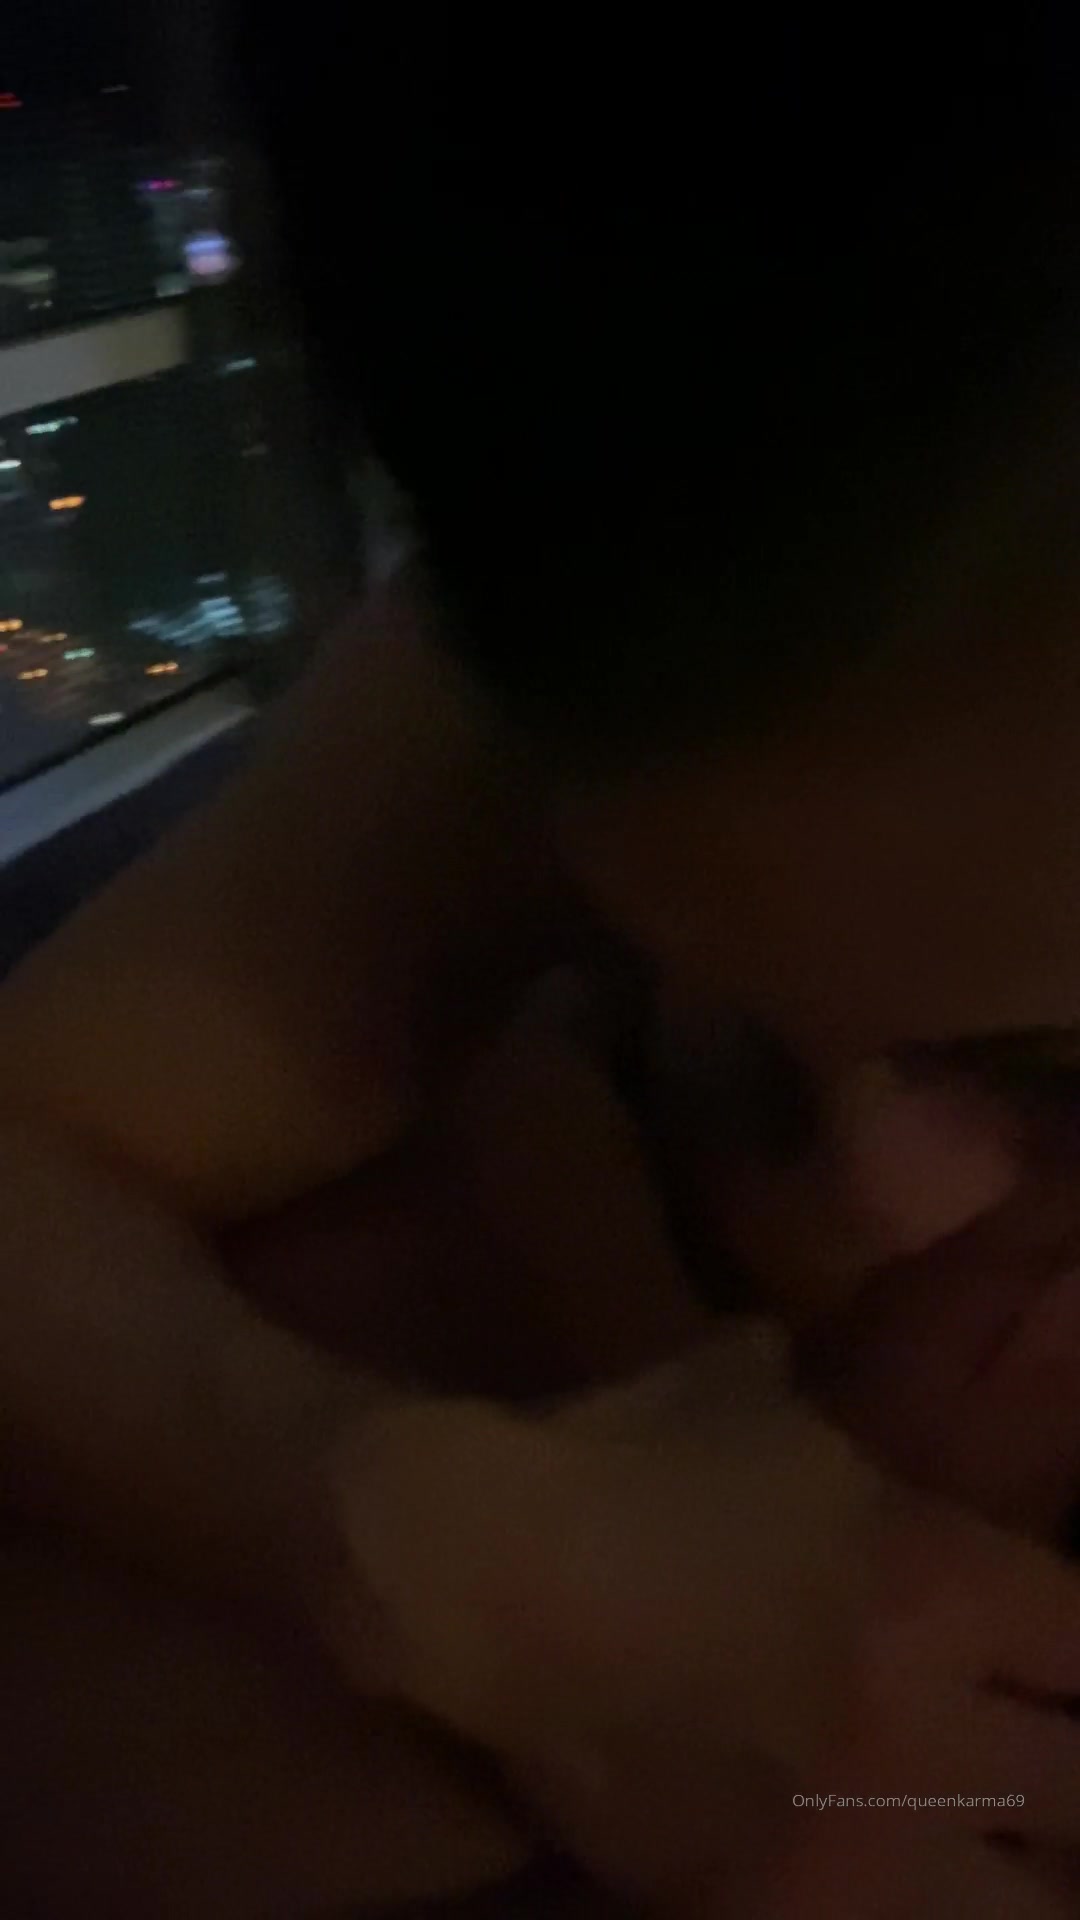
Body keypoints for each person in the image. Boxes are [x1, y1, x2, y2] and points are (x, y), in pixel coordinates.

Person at [5, 17, 1080, 1915]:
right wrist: (377, 1522)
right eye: (711, 1023)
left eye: (1049, 1073)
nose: (869, 1212)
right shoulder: (714, 559)